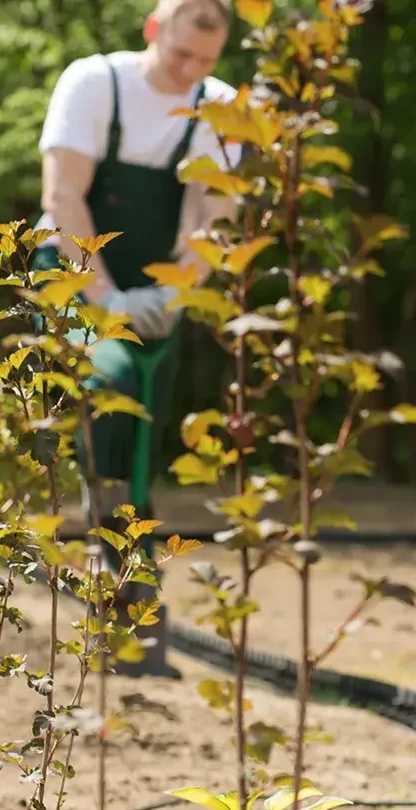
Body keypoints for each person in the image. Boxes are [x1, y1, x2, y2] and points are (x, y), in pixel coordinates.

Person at [33, 0, 240, 675]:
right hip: (76, 274)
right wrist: (107, 301)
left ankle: (134, 603)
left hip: (154, 292)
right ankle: (115, 561)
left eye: (205, 62)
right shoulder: (95, 83)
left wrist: (173, 294)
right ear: (155, 31)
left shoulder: (219, 105)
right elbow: (64, 198)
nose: (190, 73)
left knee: (145, 427)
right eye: (180, 54)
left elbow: (214, 216)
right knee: (111, 382)